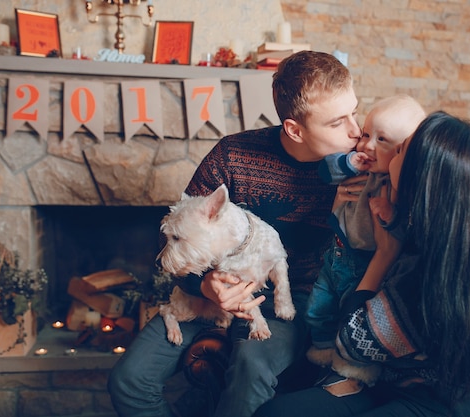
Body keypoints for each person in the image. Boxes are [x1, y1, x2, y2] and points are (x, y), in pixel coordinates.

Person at [107, 50, 362, 417]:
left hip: (292, 300)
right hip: (210, 295)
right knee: (129, 381)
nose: (356, 130)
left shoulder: (358, 169)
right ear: (294, 129)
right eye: (338, 121)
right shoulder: (232, 155)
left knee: (250, 367)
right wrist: (205, 285)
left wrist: (343, 212)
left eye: (354, 111)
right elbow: (176, 238)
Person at [254, 110, 470, 417]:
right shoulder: (439, 224)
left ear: (422, 179)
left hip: (430, 400)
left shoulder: (429, 270)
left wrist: (384, 255)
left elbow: (351, 343)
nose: (374, 150)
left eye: (399, 149)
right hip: (388, 383)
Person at [305, 95, 426, 393]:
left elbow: (402, 233)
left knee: (348, 312)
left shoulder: (397, 186)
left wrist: (390, 214)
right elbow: (326, 171)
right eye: (367, 134)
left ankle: (354, 366)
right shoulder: (358, 167)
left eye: (382, 140)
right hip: (336, 253)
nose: (367, 145)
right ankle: (321, 352)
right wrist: (347, 162)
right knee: (316, 308)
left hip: (363, 265)